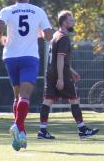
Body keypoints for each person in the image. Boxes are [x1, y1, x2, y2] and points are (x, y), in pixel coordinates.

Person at [0, 0, 53, 151]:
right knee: (25, 96)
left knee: (17, 96)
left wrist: (1, 38)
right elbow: (49, 35)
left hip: (11, 57)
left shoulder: (7, 10)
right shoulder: (38, 11)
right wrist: (40, 33)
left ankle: (21, 134)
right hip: (29, 57)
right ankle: (17, 125)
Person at [37, 10, 99, 140]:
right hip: (61, 75)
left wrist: (72, 71)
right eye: (71, 20)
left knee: (47, 101)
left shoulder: (55, 35)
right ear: (64, 22)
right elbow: (60, 59)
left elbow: (57, 59)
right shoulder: (64, 38)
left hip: (51, 73)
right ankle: (82, 129)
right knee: (74, 100)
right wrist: (61, 78)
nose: (73, 23)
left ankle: (42, 131)